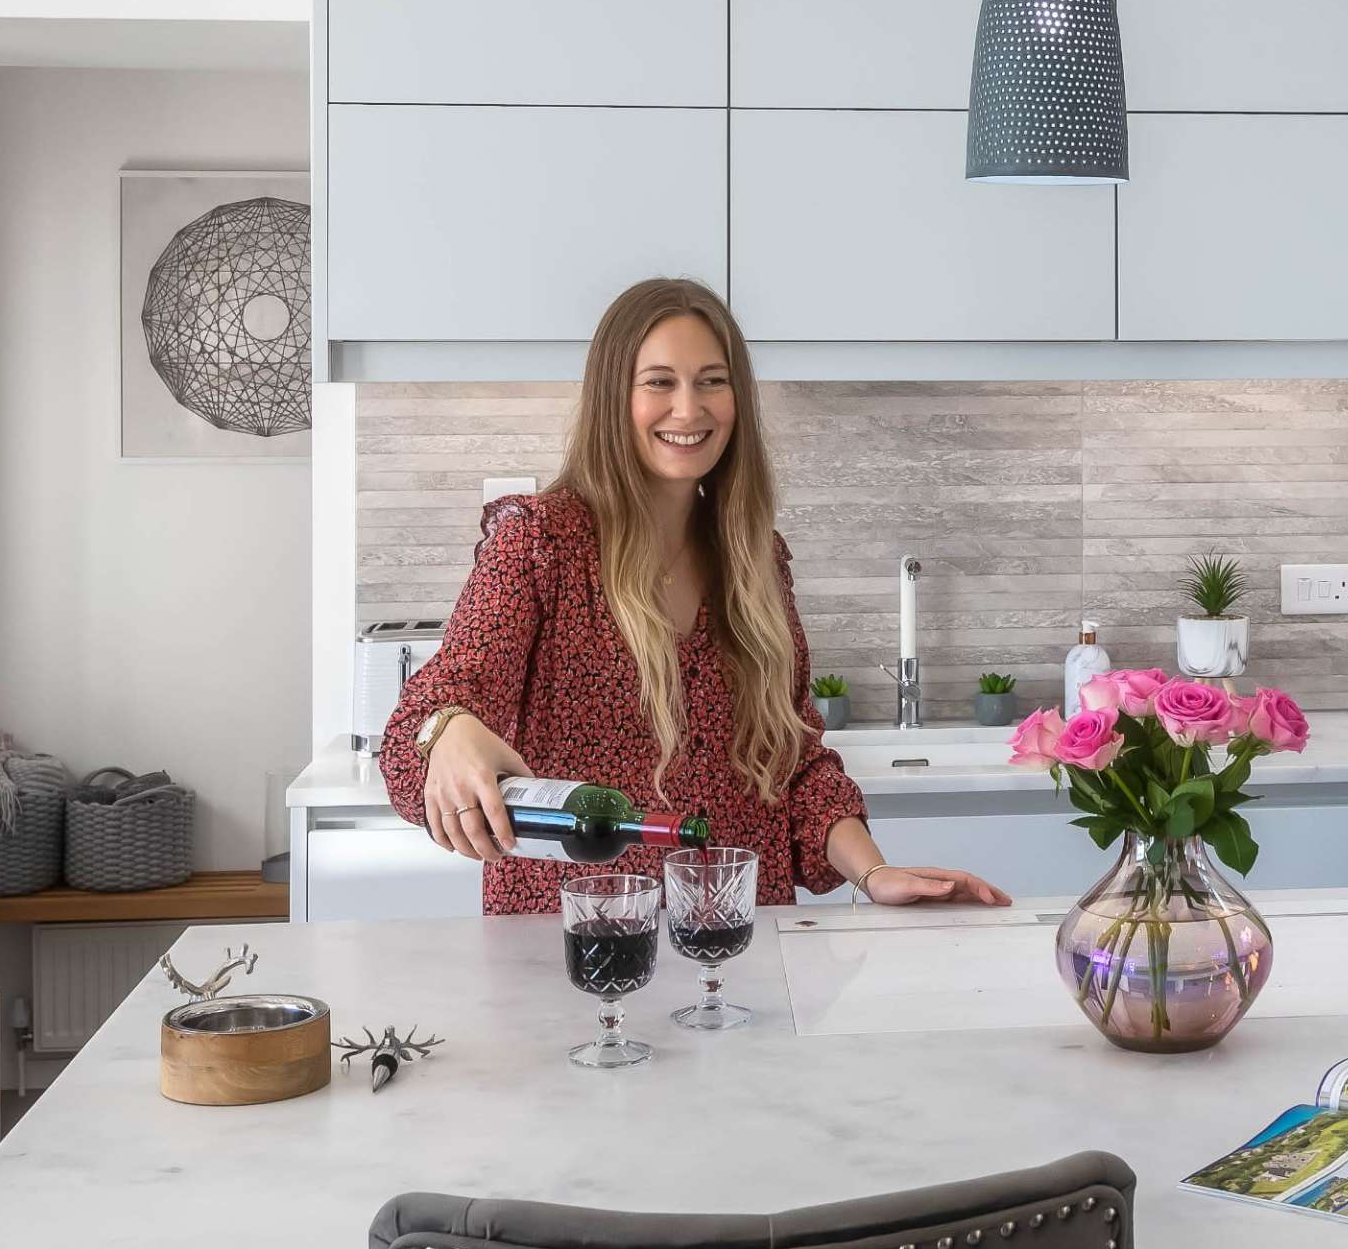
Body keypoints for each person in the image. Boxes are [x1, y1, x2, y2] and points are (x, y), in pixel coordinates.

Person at [382, 276, 1007, 916]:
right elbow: (422, 725)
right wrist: (447, 732)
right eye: (659, 382)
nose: (689, 409)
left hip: (741, 943)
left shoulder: (755, 558)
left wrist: (875, 874)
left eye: (712, 380)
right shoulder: (541, 545)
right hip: (580, 945)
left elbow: (793, 763)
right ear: (612, 398)